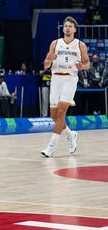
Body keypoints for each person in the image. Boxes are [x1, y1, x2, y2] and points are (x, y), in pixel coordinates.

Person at [41, 16, 90, 157]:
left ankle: (51, 147)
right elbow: (46, 65)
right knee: (54, 116)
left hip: (70, 79)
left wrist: (82, 66)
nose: (67, 28)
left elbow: (87, 64)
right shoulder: (55, 43)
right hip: (56, 79)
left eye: (70, 26)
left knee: (62, 112)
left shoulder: (80, 45)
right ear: (63, 28)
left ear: (75, 29)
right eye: (65, 26)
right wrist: (49, 60)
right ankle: (70, 134)